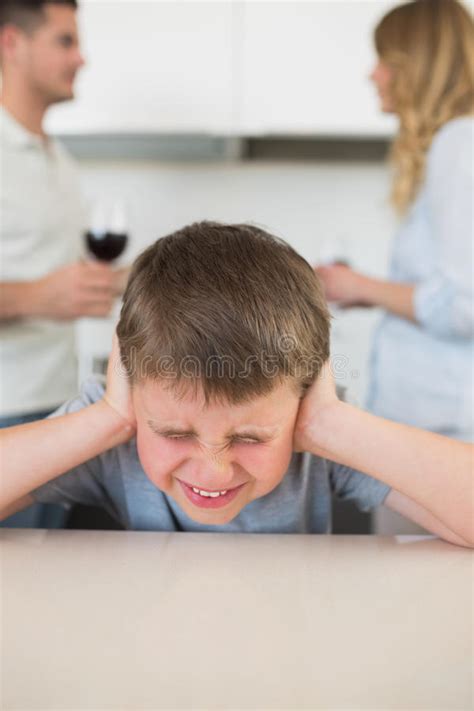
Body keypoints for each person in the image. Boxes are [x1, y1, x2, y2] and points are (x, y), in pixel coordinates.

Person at [0, 222, 472, 549]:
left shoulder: (316, 432)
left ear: (306, 394)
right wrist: (109, 418)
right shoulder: (114, 426)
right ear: (130, 379)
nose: (214, 471)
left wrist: (330, 424)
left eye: (249, 438)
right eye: (174, 433)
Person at [316, 0, 474, 441]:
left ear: (417, 66)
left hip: (443, 424)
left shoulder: (459, 146)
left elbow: (465, 305)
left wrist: (359, 286)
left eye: (385, 60)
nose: (373, 74)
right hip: (436, 419)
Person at [0, 0, 126, 527]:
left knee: (42, 590)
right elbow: (43, 288)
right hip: (5, 412)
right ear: (11, 43)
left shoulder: (60, 161)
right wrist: (36, 297)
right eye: (65, 41)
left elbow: (61, 274)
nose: (82, 59)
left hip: (56, 408)